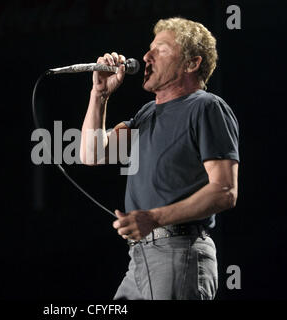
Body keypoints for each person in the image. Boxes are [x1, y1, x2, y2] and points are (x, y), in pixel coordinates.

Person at [79, 17, 239, 300]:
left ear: (192, 63)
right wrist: (99, 95)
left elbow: (225, 191)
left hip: (179, 252)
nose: (146, 56)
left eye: (161, 49)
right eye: (149, 49)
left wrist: (154, 217)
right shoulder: (146, 114)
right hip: (140, 258)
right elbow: (92, 154)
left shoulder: (206, 107)